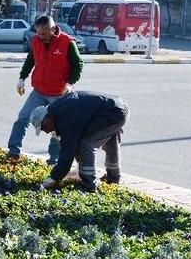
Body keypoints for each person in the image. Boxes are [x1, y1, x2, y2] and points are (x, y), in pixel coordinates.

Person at [7, 15, 83, 164]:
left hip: (59, 93)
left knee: (58, 127)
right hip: (39, 91)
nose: (41, 37)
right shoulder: (36, 41)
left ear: (53, 29)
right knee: (23, 117)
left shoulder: (67, 42)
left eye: (44, 33)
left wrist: (69, 83)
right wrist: (21, 79)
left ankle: (54, 159)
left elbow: (78, 64)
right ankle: (13, 151)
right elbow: (31, 60)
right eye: (38, 33)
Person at [29, 91, 128, 193]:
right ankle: (113, 178)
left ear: (47, 117)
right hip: (117, 106)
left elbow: (66, 157)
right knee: (111, 143)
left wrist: (52, 179)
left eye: (44, 127)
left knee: (86, 145)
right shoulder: (59, 108)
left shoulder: (66, 119)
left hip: (114, 112)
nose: (46, 131)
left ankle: (89, 185)